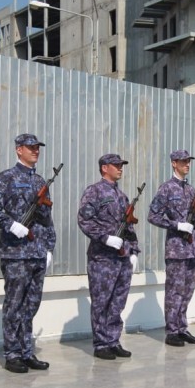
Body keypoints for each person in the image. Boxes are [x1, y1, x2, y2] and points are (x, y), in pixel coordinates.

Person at [0, 133, 56, 374]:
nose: (35, 151)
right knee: (14, 304)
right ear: (18, 150)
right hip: (15, 253)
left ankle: (26, 351)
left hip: (37, 251)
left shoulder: (40, 181)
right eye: (30, 147)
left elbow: (47, 218)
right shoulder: (6, 178)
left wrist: (49, 247)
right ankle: (12, 353)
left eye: (37, 148)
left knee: (31, 304)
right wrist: (10, 224)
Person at [77, 154, 140, 360]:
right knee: (101, 301)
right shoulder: (94, 191)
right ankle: (101, 343)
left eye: (121, 165)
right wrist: (105, 238)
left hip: (122, 257)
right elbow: (84, 220)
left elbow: (129, 226)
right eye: (116, 165)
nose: (120, 168)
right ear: (105, 168)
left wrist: (134, 250)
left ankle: (113, 340)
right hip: (102, 258)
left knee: (118, 301)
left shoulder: (122, 196)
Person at [148, 149, 195, 347]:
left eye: (188, 161)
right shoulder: (166, 189)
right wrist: (176, 225)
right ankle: (172, 331)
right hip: (176, 250)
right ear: (174, 163)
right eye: (183, 161)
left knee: (187, 292)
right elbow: (153, 216)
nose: (187, 164)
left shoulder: (190, 190)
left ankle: (182, 329)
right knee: (174, 292)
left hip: (192, 250)